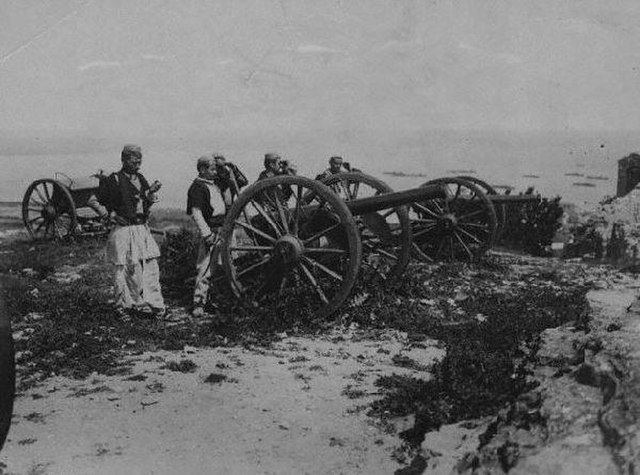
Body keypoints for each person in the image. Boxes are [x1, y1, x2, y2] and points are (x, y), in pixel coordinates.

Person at [92, 144, 166, 319]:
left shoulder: (140, 178)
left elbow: (144, 201)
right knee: (123, 270)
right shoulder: (114, 179)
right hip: (123, 230)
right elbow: (93, 200)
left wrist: (150, 193)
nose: (138, 163)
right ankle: (123, 308)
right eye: (134, 159)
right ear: (124, 159)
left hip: (141, 229)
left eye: (140, 159)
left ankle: (154, 306)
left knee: (150, 267)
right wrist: (109, 215)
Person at [187, 154, 242, 318]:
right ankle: (199, 303)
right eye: (212, 169)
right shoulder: (197, 187)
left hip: (223, 228)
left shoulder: (214, 184)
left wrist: (227, 166)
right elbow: (196, 213)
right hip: (212, 230)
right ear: (202, 169)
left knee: (226, 264)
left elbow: (239, 181)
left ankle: (219, 300)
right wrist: (206, 234)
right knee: (205, 268)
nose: (215, 172)